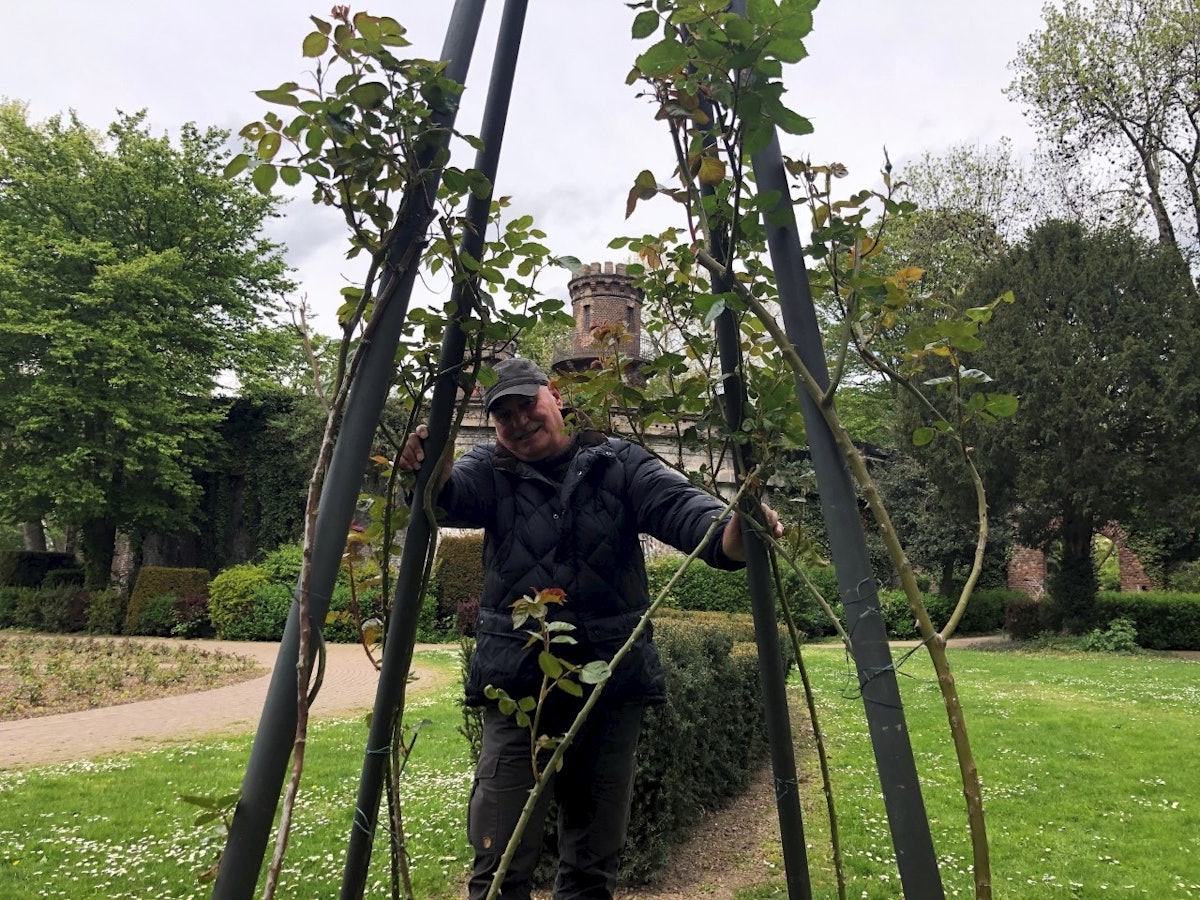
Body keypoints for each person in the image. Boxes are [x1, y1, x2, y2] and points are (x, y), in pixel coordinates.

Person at [399, 357, 782, 900]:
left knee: (591, 868)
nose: (518, 422)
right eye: (501, 414)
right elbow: (444, 499)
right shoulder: (491, 469)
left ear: (554, 395)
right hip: (518, 697)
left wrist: (741, 527)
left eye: (526, 404)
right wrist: (426, 467)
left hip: (608, 691)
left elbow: (690, 515)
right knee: (499, 861)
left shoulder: (618, 464)